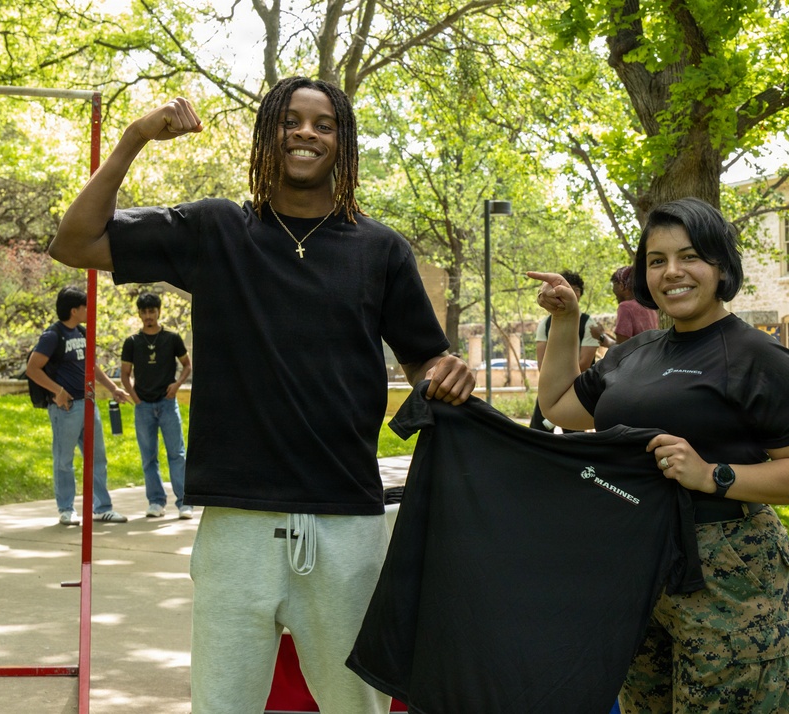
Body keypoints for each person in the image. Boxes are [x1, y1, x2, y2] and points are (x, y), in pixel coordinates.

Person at [48, 77, 475, 714]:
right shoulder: (215, 229)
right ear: (268, 133)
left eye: (323, 124)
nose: (306, 133)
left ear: (343, 141)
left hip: (346, 520)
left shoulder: (379, 249)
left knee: (357, 707)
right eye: (291, 121)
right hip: (236, 522)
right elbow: (72, 242)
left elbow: (423, 356)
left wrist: (448, 371)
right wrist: (136, 137)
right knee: (223, 704)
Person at [528, 197, 789, 713]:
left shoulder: (762, 360)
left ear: (720, 265)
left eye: (689, 256)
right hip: (637, 563)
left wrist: (712, 474)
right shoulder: (632, 355)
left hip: (731, 576)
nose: (672, 272)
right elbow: (558, 405)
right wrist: (567, 320)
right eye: (656, 260)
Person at [25, 286, 131, 526]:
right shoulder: (52, 336)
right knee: (64, 460)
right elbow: (32, 369)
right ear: (74, 310)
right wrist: (58, 391)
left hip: (89, 404)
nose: (89, 310)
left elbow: (91, 366)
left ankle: (102, 507)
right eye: (85, 306)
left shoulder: (82, 332)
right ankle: (66, 509)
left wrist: (113, 388)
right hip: (67, 408)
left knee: (97, 458)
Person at [120, 292, 193, 519]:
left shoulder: (171, 338)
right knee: (148, 456)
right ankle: (155, 501)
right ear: (139, 314)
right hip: (143, 405)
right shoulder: (132, 342)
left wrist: (177, 385)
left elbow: (187, 365)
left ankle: (184, 502)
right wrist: (135, 398)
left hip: (167, 403)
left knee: (177, 453)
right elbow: (124, 374)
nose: (148, 316)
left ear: (159, 312)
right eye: (144, 312)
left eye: (152, 311)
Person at [528, 270, 599, 431]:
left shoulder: (589, 324)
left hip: (578, 390)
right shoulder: (544, 324)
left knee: (575, 438)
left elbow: (585, 363)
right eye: (568, 287)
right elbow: (542, 363)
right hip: (550, 389)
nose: (572, 292)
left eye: (577, 289)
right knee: (537, 435)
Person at [591, 265, 659, 347]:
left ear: (621, 286)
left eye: (614, 285)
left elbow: (622, 350)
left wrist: (600, 336)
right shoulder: (648, 307)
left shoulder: (626, 307)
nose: (613, 290)